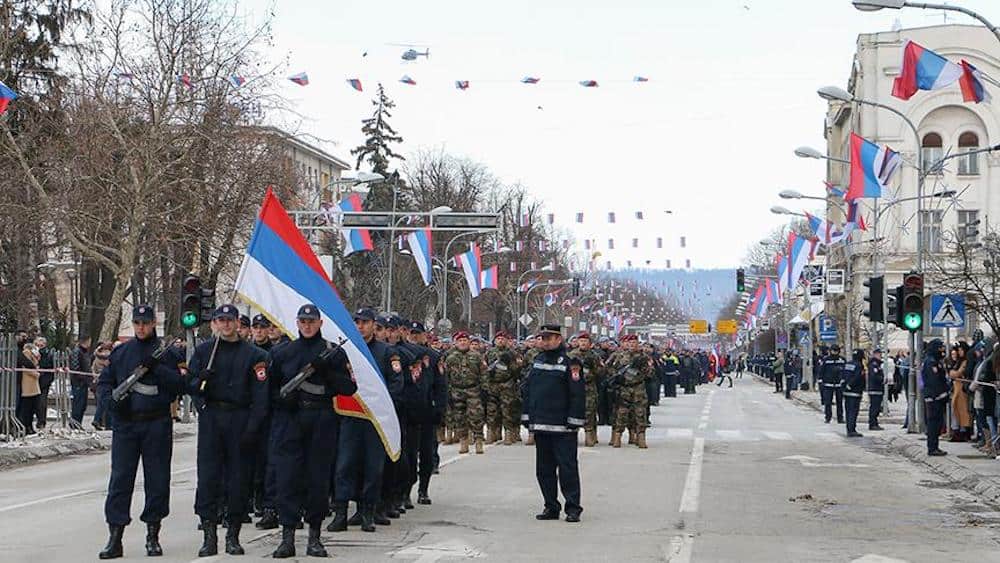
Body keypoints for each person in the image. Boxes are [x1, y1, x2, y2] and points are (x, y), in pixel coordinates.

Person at [96, 305, 185, 559]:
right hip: (126, 424)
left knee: (157, 480)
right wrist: (111, 403)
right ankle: (115, 536)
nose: (141, 327)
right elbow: (104, 383)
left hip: (156, 423)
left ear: (153, 323)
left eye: (145, 323)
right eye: (137, 323)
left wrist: (158, 369)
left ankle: (153, 534)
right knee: (120, 480)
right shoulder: (122, 352)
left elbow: (181, 385)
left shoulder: (167, 354)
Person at [269, 304, 357, 558]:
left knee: (317, 480)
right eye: (303, 321)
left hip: (321, 420)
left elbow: (349, 388)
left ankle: (315, 538)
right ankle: (287, 538)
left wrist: (327, 371)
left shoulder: (333, 353)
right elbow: (270, 390)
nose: (307, 325)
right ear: (297, 323)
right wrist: (281, 401)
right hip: (290, 420)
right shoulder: (283, 352)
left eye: (312, 321)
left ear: (320, 323)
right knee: (287, 479)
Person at [187, 305, 270, 556]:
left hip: (240, 419)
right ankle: (209, 534)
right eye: (220, 320)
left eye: (229, 321)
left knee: (238, 478)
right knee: (209, 477)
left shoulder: (254, 354)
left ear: (237, 323)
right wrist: (201, 390)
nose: (225, 325)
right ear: (214, 324)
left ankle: (233, 534)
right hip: (213, 417)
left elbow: (261, 395)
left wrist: (253, 427)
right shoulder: (204, 352)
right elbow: (190, 384)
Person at [522, 324, 585, 523]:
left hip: (562, 426)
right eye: (543, 338)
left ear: (559, 339)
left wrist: (574, 420)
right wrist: (526, 416)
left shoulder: (570, 362)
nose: (545, 342)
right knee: (544, 470)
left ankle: (573, 508)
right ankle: (551, 506)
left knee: (567, 469)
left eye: (549, 338)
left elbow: (577, 393)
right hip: (541, 425)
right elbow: (528, 390)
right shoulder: (537, 360)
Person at [443, 331, 486, 454]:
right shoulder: (450, 358)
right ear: (456, 343)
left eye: (465, 340)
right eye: (460, 341)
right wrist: (448, 391)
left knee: (476, 416)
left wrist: (484, 389)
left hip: (473, 390)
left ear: (469, 342)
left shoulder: (477, 356)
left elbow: (483, 373)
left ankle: (478, 440)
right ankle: (464, 441)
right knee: (459, 417)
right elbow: (446, 376)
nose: (462, 343)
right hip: (456, 391)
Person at [923, 339, 949, 456]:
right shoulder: (931, 362)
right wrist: (940, 394)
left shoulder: (935, 361)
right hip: (934, 398)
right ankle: (932, 447)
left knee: (937, 423)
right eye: (940, 348)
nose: (942, 350)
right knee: (934, 423)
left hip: (935, 397)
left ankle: (934, 446)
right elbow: (933, 380)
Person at [17, 340, 41, 435]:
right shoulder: (26, 352)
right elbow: (26, 367)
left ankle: (30, 426)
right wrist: (36, 374)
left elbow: (35, 364)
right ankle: (27, 427)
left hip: (33, 383)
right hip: (28, 383)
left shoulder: (34, 353)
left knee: (32, 407)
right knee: (27, 407)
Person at [69, 336, 94, 425]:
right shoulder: (77, 351)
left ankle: (78, 423)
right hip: (78, 382)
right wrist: (84, 378)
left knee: (82, 405)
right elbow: (75, 368)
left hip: (83, 381)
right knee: (78, 404)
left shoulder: (84, 352)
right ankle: (75, 423)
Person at [819, 345, 846, 424]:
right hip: (828, 384)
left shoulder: (842, 360)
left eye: (836, 351)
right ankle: (828, 417)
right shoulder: (826, 360)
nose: (834, 352)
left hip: (839, 384)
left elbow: (844, 371)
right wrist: (821, 381)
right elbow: (821, 371)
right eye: (833, 350)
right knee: (828, 402)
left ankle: (840, 418)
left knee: (840, 402)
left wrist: (844, 380)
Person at [842, 349, 865, 438]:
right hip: (855, 391)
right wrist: (851, 385)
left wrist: (845, 386)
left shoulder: (848, 364)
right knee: (853, 411)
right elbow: (858, 377)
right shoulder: (859, 366)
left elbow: (843, 375)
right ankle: (852, 430)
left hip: (847, 391)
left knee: (848, 411)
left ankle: (849, 429)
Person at [34, 336, 53, 430]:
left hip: (44, 381)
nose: (39, 347)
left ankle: (41, 421)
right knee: (35, 402)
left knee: (41, 402)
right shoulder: (33, 353)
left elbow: (50, 366)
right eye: (37, 345)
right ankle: (39, 420)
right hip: (34, 380)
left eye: (41, 345)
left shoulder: (48, 354)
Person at [867, 348, 885, 431]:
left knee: (876, 407)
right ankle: (873, 423)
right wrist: (882, 379)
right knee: (874, 407)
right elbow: (874, 376)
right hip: (875, 389)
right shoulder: (873, 364)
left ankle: (874, 423)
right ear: (875, 354)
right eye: (879, 354)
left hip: (877, 388)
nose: (880, 355)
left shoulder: (877, 364)